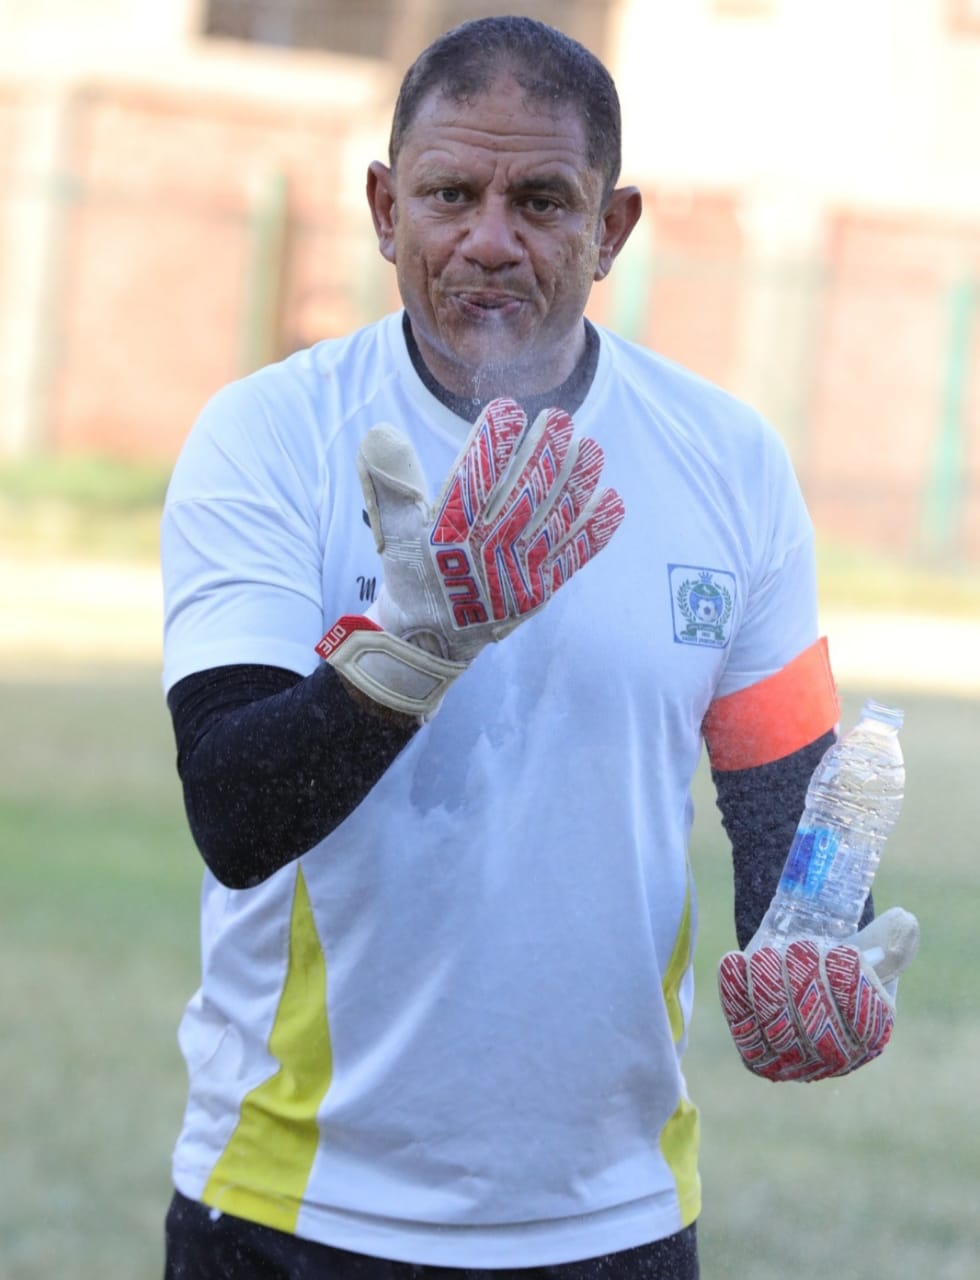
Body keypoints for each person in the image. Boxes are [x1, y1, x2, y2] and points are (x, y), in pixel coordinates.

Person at [159, 16, 918, 1279]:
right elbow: (232, 813)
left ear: (611, 228)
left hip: (613, 1216)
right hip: (295, 1208)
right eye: (449, 194)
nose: (489, 239)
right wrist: (414, 649)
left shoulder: (727, 461)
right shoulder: (270, 436)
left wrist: (815, 960)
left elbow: (780, 826)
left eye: (541, 201)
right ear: (384, 207)